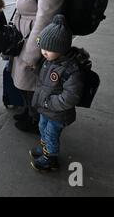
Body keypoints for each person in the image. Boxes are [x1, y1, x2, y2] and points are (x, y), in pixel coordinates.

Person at [11, 0, 69, 133]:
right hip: (23, 33)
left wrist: (32, 55)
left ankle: (35, 120)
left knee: (35, 84)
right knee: (25, 83)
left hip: (35, 40)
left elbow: (45, 19)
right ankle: (28, 112)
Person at [29, 14, 86, 171]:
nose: (44, 52)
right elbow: (45, 82)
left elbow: (71, 97)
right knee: (43, 128)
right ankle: (45, 148)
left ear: (62, 49)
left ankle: (50, 158)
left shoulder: (70, 70)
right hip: (46, 109)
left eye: (50, 49)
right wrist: (36, 71)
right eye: (43, 48)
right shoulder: (50, 62)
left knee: (51, 134)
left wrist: (49, 102)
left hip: (58, 113)